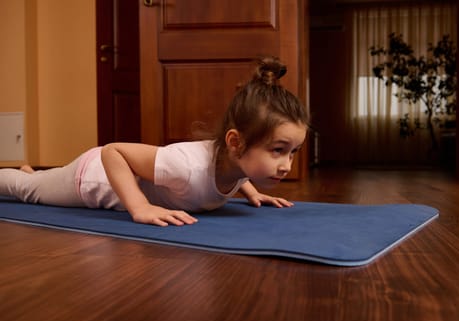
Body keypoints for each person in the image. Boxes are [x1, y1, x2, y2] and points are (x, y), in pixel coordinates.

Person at [0, 56, 310, 227]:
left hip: (100, 174)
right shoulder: (185, 167)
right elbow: (113, 152)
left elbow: (233, 172)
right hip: (93, 179)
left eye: (293, 152)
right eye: (278, 151)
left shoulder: (237, 162)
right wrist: (140, 207)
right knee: (29, 193)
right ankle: (26, 178)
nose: (286, 165)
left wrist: (253, 193)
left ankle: (37, 175)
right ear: (235, 142)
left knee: (42, 182)